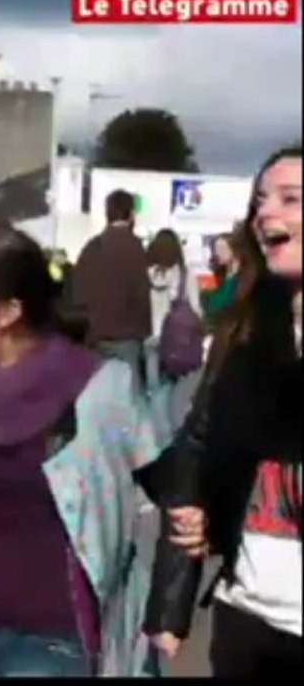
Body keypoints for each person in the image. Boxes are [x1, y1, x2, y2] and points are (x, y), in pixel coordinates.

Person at [0, 216, 167, 677]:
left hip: (53, 647)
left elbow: (179, 495)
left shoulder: (100, 389)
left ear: (8, 311)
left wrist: (168, 612)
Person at [145, 146, 302, 677]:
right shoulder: (244, 330)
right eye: (261, 200)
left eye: (290, 199)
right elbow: (198, 448)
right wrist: (171, 604)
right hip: (246, 615)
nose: (266, 213)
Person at [71, 189, 152, 391]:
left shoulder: (91, 247)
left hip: (94, 335)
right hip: (126, 337)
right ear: (131, 214)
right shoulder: (134, 247)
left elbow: (77, 290)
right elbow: (141, 294)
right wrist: (145, 331)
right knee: (128, 401)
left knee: (97, 398)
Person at [143, 228, 204, 444]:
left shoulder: (144, 274)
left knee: (154, 394)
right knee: (177, 398)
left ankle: (156, 441)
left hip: (150, 340)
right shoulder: (186, 276)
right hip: (178, 344)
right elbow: (196, 311)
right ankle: (173, 441)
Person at [203, 227, 243, 327]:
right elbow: (213, 305)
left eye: (222, 249)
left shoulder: (244, 277)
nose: (217, 253)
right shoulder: (219, 274)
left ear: (234, 250)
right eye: (216, 249)